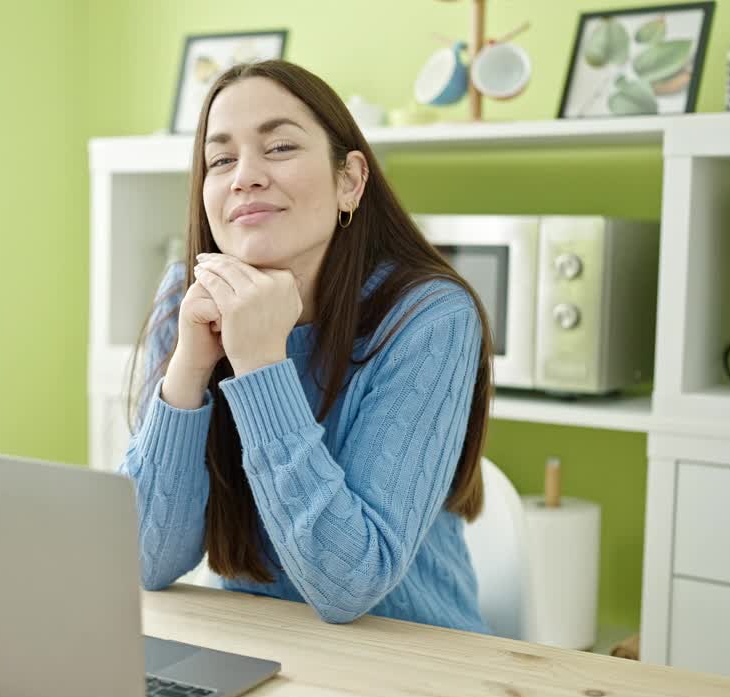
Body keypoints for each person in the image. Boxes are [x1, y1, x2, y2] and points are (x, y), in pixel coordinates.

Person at [120, 60, 494, 632]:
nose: (244, 176)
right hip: (260, 653)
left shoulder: (429, 316)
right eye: (221, 160)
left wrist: (260, 362)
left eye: (279, 148)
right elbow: (148, 559)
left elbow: (349, 587)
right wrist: (191, 365)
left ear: (350, 181)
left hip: (417, 661)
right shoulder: (189, 300)